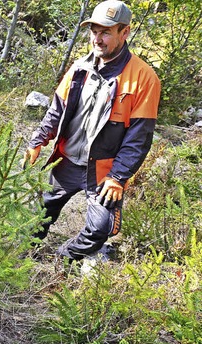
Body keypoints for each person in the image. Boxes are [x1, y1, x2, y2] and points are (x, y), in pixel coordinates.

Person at [22, 0, 161, 262]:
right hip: (67, 161)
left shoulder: (144, 78)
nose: (98, 39)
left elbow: (139, 139)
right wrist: (37, 141)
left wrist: (118, 177)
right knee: (37, 214)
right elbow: (56, 111)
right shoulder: (79, 68)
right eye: (94, 31)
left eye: (106, 32)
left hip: (104, 172)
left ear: (125, 32)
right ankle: (23, 254)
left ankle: (62, 259)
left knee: (100, 229)